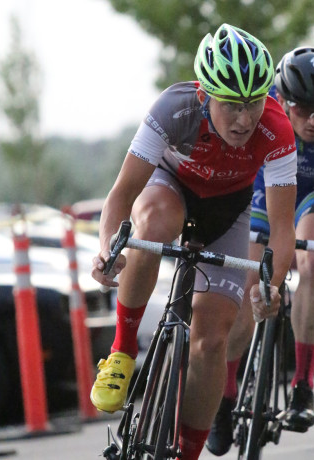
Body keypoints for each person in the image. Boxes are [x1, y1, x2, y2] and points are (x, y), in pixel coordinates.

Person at [89, 24, 298, 460]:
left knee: (211, 341)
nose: (244, 119)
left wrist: (270, 285)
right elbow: (121, 196)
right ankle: (123, 353)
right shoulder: (174, 108)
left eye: (254, 103)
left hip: (228, 210)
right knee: (154, 224)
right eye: (231, 105)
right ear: (205, 96)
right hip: (172, 190)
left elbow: (281, 229)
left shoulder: (277, 128)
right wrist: (109, 247)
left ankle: (187, 453)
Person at [206, 46, 314, 456]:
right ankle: (225, 398)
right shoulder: (260, 117)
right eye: (303, 109)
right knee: (248, 280)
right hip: (266, 191)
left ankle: (303, 383)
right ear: (282, 100)